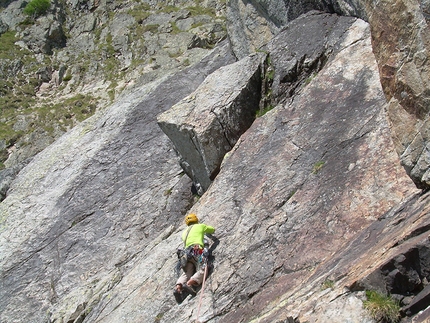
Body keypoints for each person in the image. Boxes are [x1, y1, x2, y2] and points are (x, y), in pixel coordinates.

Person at [174, 213, 215, 303]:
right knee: (204, 268)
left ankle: (178, 287)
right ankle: (189, 284)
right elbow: (212, 230)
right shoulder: (200, 226)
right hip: (197, 250)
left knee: (187, 272)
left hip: (186, 254)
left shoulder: (184, 233)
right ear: (196, 220)